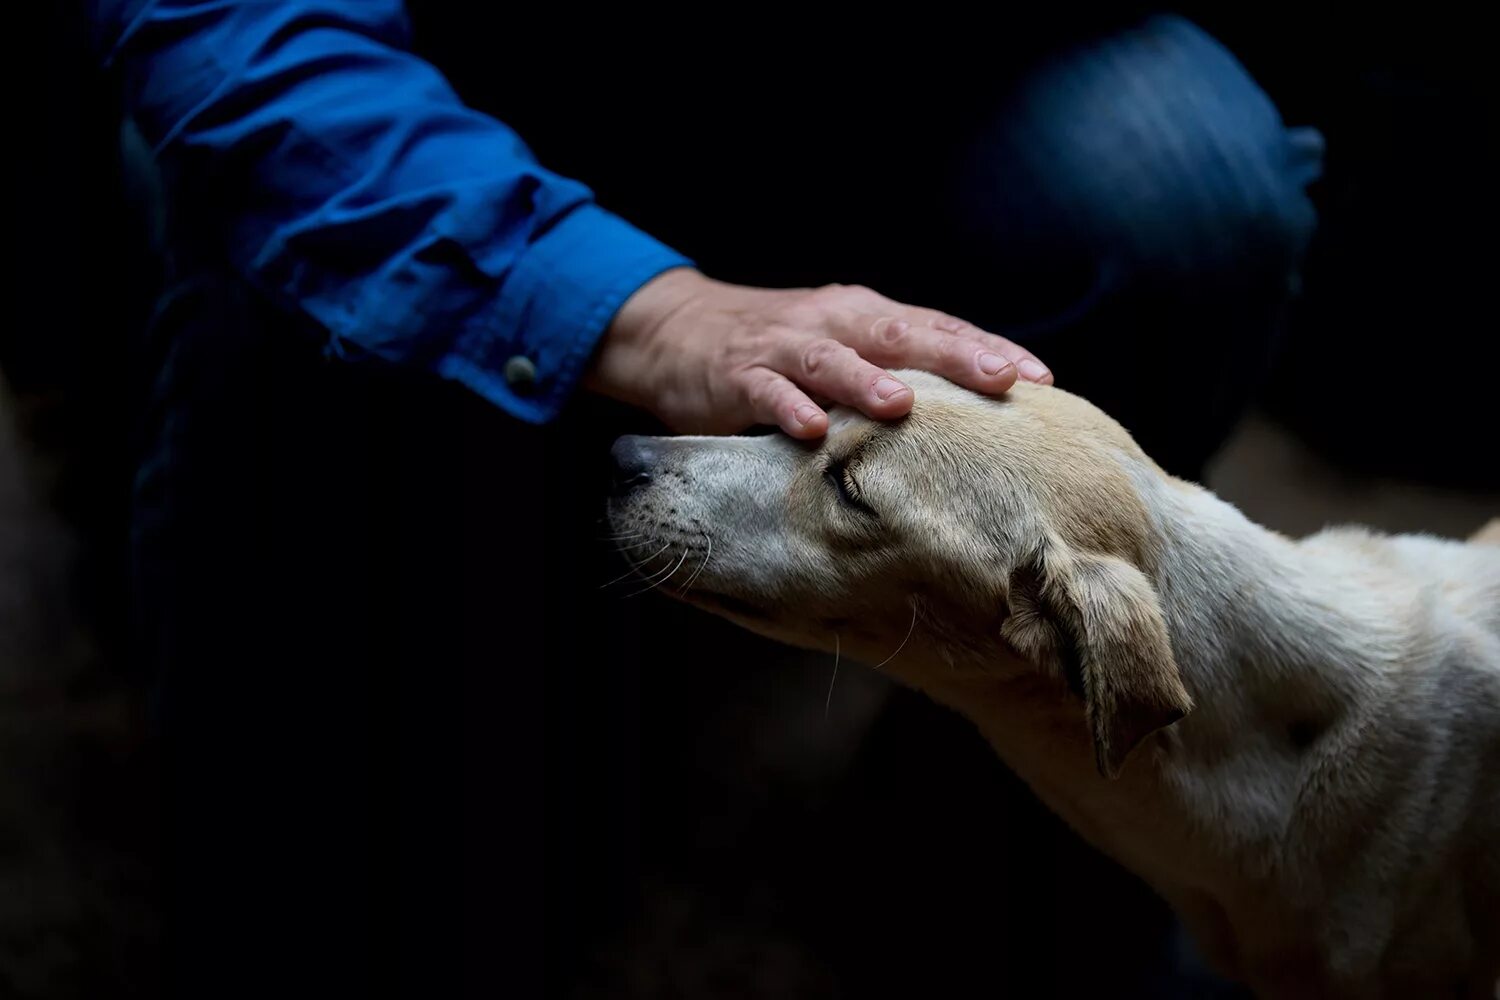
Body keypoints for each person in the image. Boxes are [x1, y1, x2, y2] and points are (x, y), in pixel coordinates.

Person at [89, 2, 1322, 996]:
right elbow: (234, 29)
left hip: (857, 59)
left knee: (1190, 186)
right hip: (428, 85)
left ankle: (975, 838)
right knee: (292, 288)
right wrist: (644, 308)